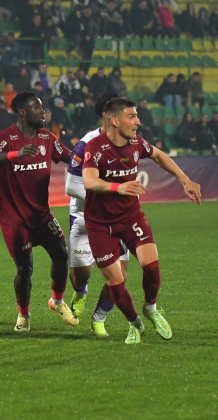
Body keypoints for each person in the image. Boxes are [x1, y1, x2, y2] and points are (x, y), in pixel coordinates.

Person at [81, 97, 202, 344]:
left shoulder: (136, 143)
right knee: (116, 281)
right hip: (100, 225)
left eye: (136, 116)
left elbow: (159, 156)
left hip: (130, 217)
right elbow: (89, 181)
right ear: (115, 120)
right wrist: (118, 187)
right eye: (132, 116)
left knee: (152, 267)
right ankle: (135, 323)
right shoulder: (95, 147)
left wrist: (185, 180)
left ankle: (151, 308)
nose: (138, 121)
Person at [0, 92, 76, 332]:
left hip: (41, 214)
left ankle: (57, 300)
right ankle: (23, 315)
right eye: (37, 108)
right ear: (23, 112)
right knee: (25, 268)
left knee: (62, 255)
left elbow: (69, 157)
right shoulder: (6, 138)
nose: (43, 112)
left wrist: (92, 160)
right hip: (13, 218)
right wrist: (15, 154)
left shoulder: (47, 138)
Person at [64, 92, 132, 337]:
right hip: (85, 218)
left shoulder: (128, 141)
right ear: (109, 116)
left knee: (120, 277)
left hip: (118, 218)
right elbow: (71, 186)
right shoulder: (86, 143)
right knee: (79, 277)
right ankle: (80, 292)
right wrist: (110, 193)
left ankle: (99, 318)